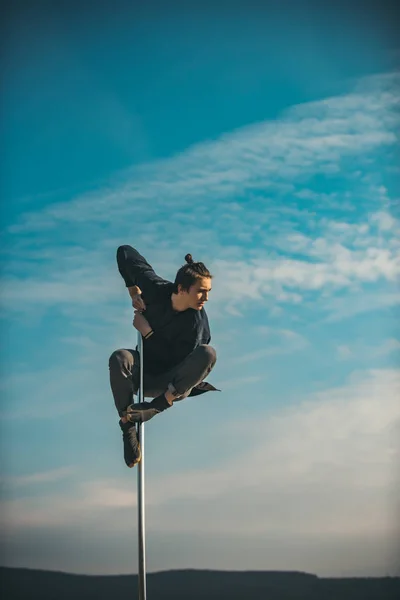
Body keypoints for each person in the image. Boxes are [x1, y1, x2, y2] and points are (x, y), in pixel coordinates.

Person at [109, 245, 219, 468]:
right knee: (119, 357)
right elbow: (125, 253)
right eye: (201, 291)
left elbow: (179, 360)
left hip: (172, 383)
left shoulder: (197, 325)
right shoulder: (155, 288)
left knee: (208, 353)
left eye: (208, 291)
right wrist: (134, 292)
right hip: (144, 373)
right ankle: (127, 423)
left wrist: (147, 331)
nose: (206, 298)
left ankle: (155, 407)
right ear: (181, 288)